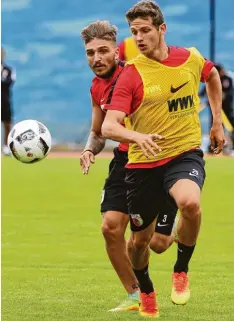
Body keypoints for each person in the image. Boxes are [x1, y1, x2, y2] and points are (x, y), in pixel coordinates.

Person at [101, 1, 225, 318]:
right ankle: (145, 290)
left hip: (183, 154)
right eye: (134, 32)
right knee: (142, 243)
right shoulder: (132, 75)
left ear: (162, 29)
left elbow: (211, 77)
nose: (139, 38)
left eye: (145, 30)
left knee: (191, 203)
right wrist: (137, 137)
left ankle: (181, 270)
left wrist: (216, 122)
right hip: (143, 166)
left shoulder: (190, 58)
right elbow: (109, 125)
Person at [80, 20, 177, 313]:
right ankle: (135, 295)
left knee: (158, 244)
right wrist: (88, 149)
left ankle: (185, 207)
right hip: (125, 160)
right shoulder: (96, 87)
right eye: (89, 52)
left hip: (158, 158)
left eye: (103, 51)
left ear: (116, 50)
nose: (96, 58)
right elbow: (98, 133)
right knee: (111, 228)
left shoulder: (138, 74)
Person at [200, 64, 234, 154]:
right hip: (215, 110)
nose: (223, 71)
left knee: (231, 127)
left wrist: (221, 96)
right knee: (215, 127)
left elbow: (229, 93)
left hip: (227, 110)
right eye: (221, 70)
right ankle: (213, 148)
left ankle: (232, 147)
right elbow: (203, 93)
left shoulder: (227, 79)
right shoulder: (211, 80)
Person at [1, 47, 16, 155]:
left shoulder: (8, 69)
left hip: (5, 101)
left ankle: (6, 146)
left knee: (7, 124)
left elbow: (10, 82)